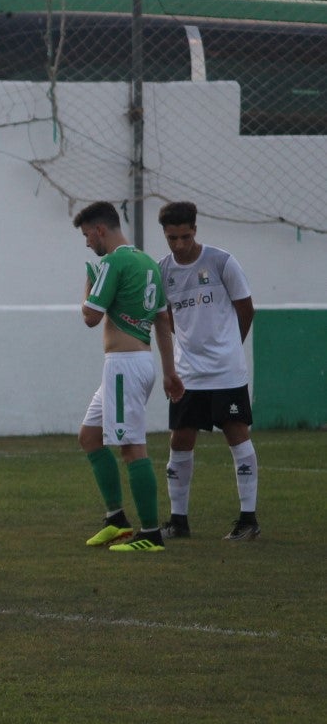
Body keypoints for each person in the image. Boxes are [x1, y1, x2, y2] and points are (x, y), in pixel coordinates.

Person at [73, 201, 182, 553]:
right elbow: (164, 322)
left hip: (123, 365)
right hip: (138, 362)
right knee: (90, 436)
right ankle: (117, 520)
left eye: (87, 234)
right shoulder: (147, 261)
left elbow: (90, 317)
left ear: (100, 230)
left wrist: (88, 283)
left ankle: (150, 534)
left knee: (131, 447)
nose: (88, 242)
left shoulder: (113, 261)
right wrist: (169, 372)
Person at [157, 201, 261, 541]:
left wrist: (230, 346)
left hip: (226, 372)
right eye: (173, 238)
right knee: (180, 439)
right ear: (166, 235)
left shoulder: (222, 262)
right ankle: (179, 522)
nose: (180, 245)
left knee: (237, 434)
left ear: (195, 230)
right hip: (189, 374)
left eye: (185, 236)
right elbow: (167, 316)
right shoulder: (163, 271)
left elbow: (246, 310)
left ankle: (248, 520)